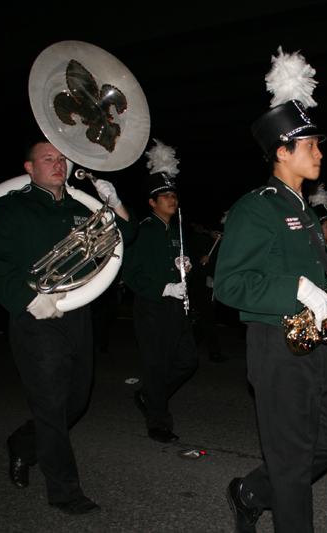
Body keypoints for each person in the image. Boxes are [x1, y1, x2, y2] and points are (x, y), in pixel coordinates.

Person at [214, 47, 327, 533]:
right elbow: (229, 283)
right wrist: (298, 288)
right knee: (291, 464)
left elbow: (315, 284)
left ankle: (250, 491)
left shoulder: (304, 211)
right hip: (276, 344)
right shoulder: (257, 207)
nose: (321, 153)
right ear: (283, 151)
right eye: (311, 145)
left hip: (314, 344)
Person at [0, 137, 135, 514]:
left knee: (76, 401)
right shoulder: (14, 207)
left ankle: (23, 442)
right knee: (51, 406)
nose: (58, 164)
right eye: (47, 159)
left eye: (62, 159)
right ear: (29, 169)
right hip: (36, 317)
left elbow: (126, 236)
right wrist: (29, 299)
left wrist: (112, 201)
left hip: (78, 314)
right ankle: (65, 492)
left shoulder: (82, 206)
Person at [122, 140, 200, 443]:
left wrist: (185, 268)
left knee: (188, 361)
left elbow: (176, 268)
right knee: (156, 366)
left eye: (174, 195)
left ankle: (148, 397)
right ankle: (158, 422)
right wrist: (164, 287)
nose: (172, 199)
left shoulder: (177, 231)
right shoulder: (143, 231)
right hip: (152, 307)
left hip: (176, 308)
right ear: (152, 202)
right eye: (165, 196)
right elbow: (131, 274)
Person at [187, 217, 227, 363]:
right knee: (208, 319)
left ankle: (187, 347)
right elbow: (187, 260)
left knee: (205, 321)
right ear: (211, 232)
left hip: (215, 286)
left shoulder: (223, 244)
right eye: (218, 234)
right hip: (201, 284)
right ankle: (214, 353)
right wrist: (199, 260)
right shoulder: (199, 240)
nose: (220, 237)